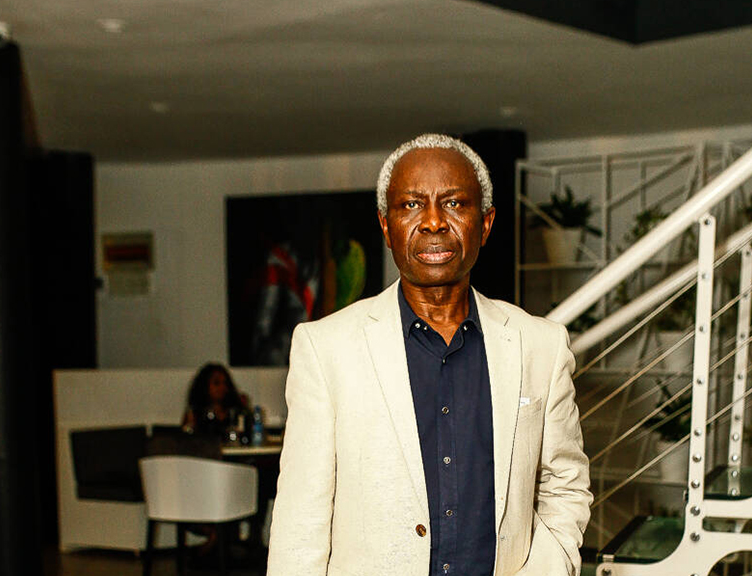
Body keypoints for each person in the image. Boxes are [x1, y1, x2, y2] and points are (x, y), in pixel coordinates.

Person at [267, 134, 592, 576]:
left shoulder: (541, 346)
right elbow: (300, 518)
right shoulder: (325, 349)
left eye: (454, 203)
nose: (434, 222)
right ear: (386, 227)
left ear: (486, 223)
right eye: (411, 205)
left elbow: (565, 486)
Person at [181, 363, 245, 437]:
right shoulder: (194, 414)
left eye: (225, 383)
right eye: (216, 383)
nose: (222, 388)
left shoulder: (235, 413)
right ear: (204, 386)